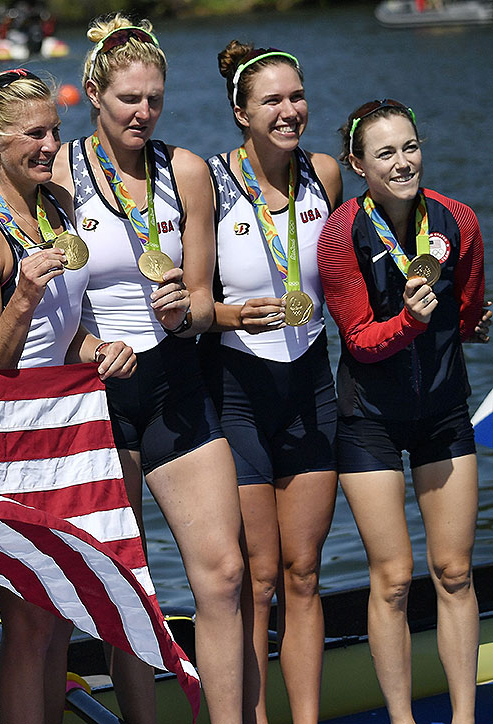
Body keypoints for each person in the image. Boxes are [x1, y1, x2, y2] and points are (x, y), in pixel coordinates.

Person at [49, 15, 246, 723]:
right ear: (92, 94)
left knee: (224, 576)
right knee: (124, 586)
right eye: (129, 98)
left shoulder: (185, 171)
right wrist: (88, 348)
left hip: (174, 384)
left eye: (154, 98)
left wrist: (181, 314)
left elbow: (199, 300)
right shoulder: (61, 175)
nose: (143, 112)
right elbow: (47, 313)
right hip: (99, 397)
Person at [0, 61, 137, 724]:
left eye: (55, 132)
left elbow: (67, 337)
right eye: (33, 134)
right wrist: (25, 294)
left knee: (62, 624)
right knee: (30, 631)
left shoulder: (56, 207)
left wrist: (102, 350)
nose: (50, 146)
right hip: (13, 441)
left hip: (70, 430)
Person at [319, 98, 488, 724]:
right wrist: (411, 323)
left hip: (444, 411)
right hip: (370, 420)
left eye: (410, 147)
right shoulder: (340, 234)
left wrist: (465, 324)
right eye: (385, 153)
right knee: (391, 578)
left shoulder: (459, 220)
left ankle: (466, 718)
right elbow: (359, 338)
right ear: (358, 164)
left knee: (454, 572)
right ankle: (402, 719)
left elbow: (469, 308)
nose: (402, 162)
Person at [205, 42, 343, 724]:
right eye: (272, 102)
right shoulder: (207, 182)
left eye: (297, 97)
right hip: (239, 390)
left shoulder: (325, 175)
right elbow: (190, 303)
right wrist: (230, 314)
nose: (290, 112)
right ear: (241, 114)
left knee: (305, 573)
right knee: (257, 582)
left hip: (312, 385)